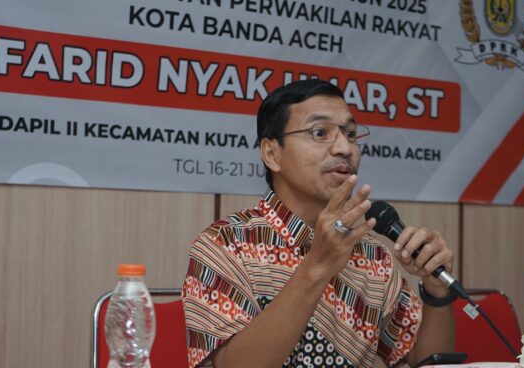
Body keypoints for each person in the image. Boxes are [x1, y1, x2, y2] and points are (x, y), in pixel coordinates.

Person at [182, 79, 456, 367]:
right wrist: (317, 266)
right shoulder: (224, 245)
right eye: (320, 132)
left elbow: (425, 361)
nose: (344, 148)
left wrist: (436, 292)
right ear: (272, 154)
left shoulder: (372, 254)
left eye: (351, 134)